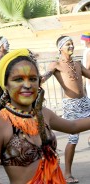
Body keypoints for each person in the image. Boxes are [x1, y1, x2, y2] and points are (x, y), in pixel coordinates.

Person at [0, 48, 90, 183]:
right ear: (6, 85)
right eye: (18, 79)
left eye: (32, 79)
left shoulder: (43, 113)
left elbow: (73, 126)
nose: (27, 85)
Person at [41, 36, 90, 183]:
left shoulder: (78, 64)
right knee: (73, 138)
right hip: (71, 105)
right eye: (68, 44)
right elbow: (45, 76)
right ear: (60, 48)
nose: (71, 47)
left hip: (85, 102)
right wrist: (39, 80)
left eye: (72, 44)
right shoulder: (56, 65)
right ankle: (67, 173)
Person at [82, 32, 90, 97]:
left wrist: (84, 78)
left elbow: (87, 67)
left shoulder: (89, 51)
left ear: (87, 41)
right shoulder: (86, 50)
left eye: (83, 40)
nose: (82, 42)